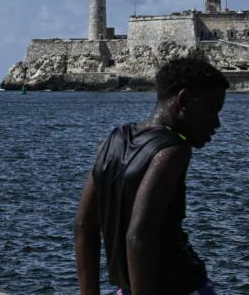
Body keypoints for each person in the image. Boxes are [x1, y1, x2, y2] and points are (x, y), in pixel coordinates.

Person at [74, 57, 229, 295]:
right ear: (183, 100)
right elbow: (139, 236)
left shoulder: (113, 140)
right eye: (212, 110)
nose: (216, 123)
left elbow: (84, 224)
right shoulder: (173, 150)